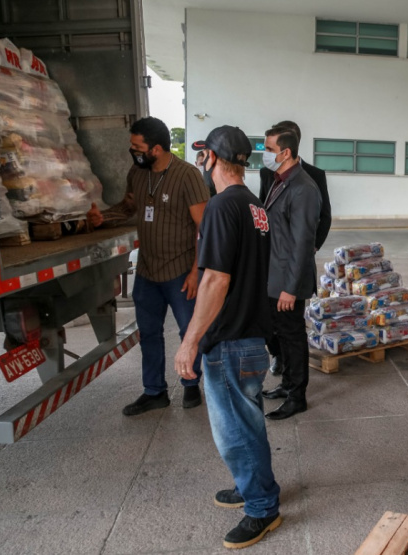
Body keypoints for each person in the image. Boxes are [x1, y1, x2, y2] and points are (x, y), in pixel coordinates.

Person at [174, 126, 281, 549]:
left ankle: (261, 509)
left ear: (213, 159)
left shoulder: (221, 206)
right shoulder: (255, 206)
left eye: (203, 156)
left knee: (235, 430)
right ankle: (251, 485)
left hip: (232, 338)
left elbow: (216, 279)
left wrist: (190, 340)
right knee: (248, 422)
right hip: (253, 332)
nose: (201, 163)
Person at [93, 116, 208, 415]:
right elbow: (129, 206)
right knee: (149, 333)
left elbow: (205, 228)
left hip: (181, 271)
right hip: (147, 271)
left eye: (137, 147)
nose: (133, 152)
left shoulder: (187, 175)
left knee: (188, 331)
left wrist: (197, 271)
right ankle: (154, 391)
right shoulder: (138, 172)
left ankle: (190, 384)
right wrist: (103, 217)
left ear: (156, 149)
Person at [259, 121, 331, 377]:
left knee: (292, 334)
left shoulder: (303, 187)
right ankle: (287, 384)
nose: (264, 153)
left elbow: (303, 242)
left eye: (268, 148)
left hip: (289, 276)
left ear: (285, 152)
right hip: (276, 270)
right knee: (281, 331)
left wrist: (289, 287)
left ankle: (295, 394)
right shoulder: (278, 179)